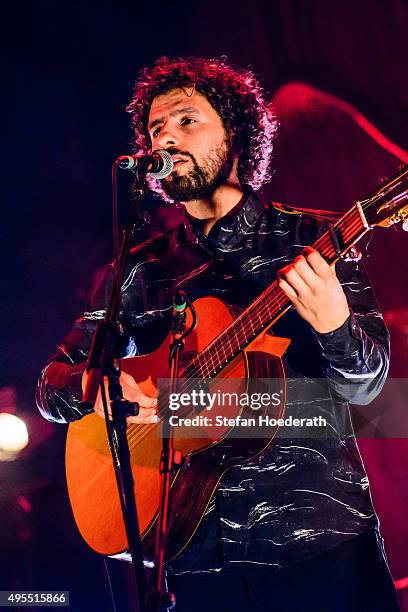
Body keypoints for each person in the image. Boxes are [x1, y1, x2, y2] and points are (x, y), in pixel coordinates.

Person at [36, 56, 400, 611]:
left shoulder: (314, 236)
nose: (167, 138)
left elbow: (368, 389)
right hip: (193, 557)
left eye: (186, 121)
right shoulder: (136, 272)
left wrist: (336, 326)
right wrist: (99, 390)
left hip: (317, 546)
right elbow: (51, 383)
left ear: (236, 135)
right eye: (156, 128)